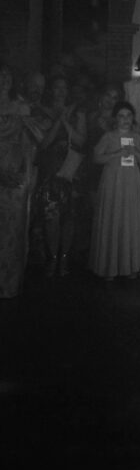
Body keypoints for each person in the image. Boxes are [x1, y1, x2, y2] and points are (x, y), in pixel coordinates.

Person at [35, 75, 87, 278]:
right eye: (57, 87)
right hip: (51, 172)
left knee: (69, 217)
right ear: (51, 90)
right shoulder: (41, 111)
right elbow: (44, 144)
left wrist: (66, 122)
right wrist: (59, 120)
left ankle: (64, 258)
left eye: (64, 87)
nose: (61, 91)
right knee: (51, 218)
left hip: (71, 172)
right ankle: (52, 258)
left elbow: (82, 141)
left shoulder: (78, 112)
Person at [89, 101, 140, 281]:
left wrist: (135, 151)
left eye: (129, 116)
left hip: (131, 183)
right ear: (115, 119)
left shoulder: (137, 137)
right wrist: (116, 153)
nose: (125, 120)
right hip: (113, 182)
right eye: (121, 116)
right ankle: (109, 266)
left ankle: (130, 266)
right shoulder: (108, 136)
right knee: (112, 218)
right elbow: (96, 158)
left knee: (130, 220)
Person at [0, 64, 34, 298]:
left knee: (12, 229)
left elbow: (30, 144)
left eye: (7, 76)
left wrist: (28, 175)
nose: (3, 80)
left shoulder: (22, 106)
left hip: (15, 170)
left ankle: (8, 286)